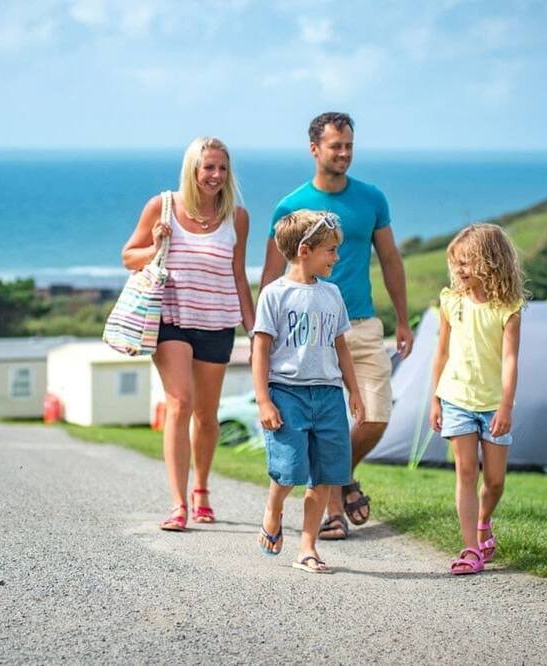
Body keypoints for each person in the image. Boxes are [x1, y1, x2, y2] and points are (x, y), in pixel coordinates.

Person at [259, 112, 413, 541]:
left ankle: (340, 479)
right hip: (306, 333)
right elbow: (271, 275)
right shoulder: (289, 206)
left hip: (361, 325)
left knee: (376, 416)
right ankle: (332, 509)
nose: (344, 154)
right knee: (322, 423)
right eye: (335, 146)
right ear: (314, 149)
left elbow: (390, 260)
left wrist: (402, 319)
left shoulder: (372, 199)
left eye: (349, 146)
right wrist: (263, 333)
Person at [121, 137, 256, 532]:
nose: (216, 175)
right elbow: (129, 256)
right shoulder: (162, 206)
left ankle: (201, 489)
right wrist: (155, 246)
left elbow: (238, 275)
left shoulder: (237, 217)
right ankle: (178, 504)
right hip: (171, 320)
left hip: (217, 322)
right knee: (180, 403)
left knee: (207, 417)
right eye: (208, 167)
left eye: (222, 168)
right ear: (192, 169)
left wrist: (254, 331)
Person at [252, 209, 366, 574]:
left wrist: (354, 391)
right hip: (287, 394)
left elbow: (341, 346)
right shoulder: (274, 294)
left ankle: (307, 547)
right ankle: (273, 509)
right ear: (304, 250)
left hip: (329, 395)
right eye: (330, 250)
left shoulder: (332, 294)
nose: (337, 257)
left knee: (326, 474)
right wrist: (264, 400)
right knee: (289, 470)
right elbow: (260, 349)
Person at [428, 223, 525, 574]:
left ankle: (484, 520)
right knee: (466, 472)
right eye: (455, 263)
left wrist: (506, 406)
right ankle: (470, 549)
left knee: (495, 481)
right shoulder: (450, 301)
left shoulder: (508, 308)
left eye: (466, 262)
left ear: (491, 261)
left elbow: (510, 360)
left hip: (493, 405)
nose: (459, 270)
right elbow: (441, 353)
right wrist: (435, 400)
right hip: (456, 398)